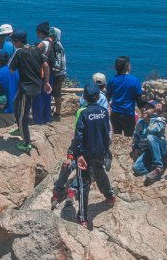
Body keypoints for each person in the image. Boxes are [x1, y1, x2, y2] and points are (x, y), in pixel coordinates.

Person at [68, 83, 116, 228]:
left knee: (84, 183)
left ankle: (83, 217)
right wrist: (105, 149)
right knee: (100, 173)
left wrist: (79, 155)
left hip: (86, 153)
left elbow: (79, 136)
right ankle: (109, 195)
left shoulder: (84, 113)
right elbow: (107, 132)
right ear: (98, 96)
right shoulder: (104, 112)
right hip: (100, 152)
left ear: (84, 96)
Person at [9, 30, 51, 152]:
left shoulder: (19, 52)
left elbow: (11, 69)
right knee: (16, 103)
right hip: (37, 85)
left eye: (13, 41)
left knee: (23, 116)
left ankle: (26, 142)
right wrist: (46, 82)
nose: (12, 43)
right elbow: (46, 65)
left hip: (26, 88)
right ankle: (20, 129)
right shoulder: (36, 49)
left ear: (18, 42)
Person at [131, 100, 167, 181]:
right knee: (136, 168)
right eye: (144, 107)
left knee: (150, 137)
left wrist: (155, 115)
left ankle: (159, 166)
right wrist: (136, 147)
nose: (144, 109)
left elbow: (152, 130)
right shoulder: (140, 122)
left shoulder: (160, 120)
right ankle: (155, 170)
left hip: (161, 150)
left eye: (148, 108)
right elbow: (136, 136)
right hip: (148, 151)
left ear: (155, 111)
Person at [105, 56, 142, 137]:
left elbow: (107, 96)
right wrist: (143, 112)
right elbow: (138, 99)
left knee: (117, 138)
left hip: (115, 114)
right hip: (128, 114)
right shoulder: (135, 80)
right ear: (127, 66)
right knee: (129, 137)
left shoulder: (112, 80)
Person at [32, 22, 55, 124]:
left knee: (38, 97)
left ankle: (38, 120)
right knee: (47, 97)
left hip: (41, 73)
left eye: (37, 32)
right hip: (49, 73)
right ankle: (46, 118)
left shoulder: (43, 43)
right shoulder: (51, 41)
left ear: (41, 32)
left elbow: (33, 54)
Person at [49, 27, 68, 120]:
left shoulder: (57, 46)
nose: (50, 37)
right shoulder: (55, 45)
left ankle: (57, 113)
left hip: (58, 74)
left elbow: (58, 63)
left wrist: (51, 71)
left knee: (56, 94)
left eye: (52, 35)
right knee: (54, 93)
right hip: (57, 73)